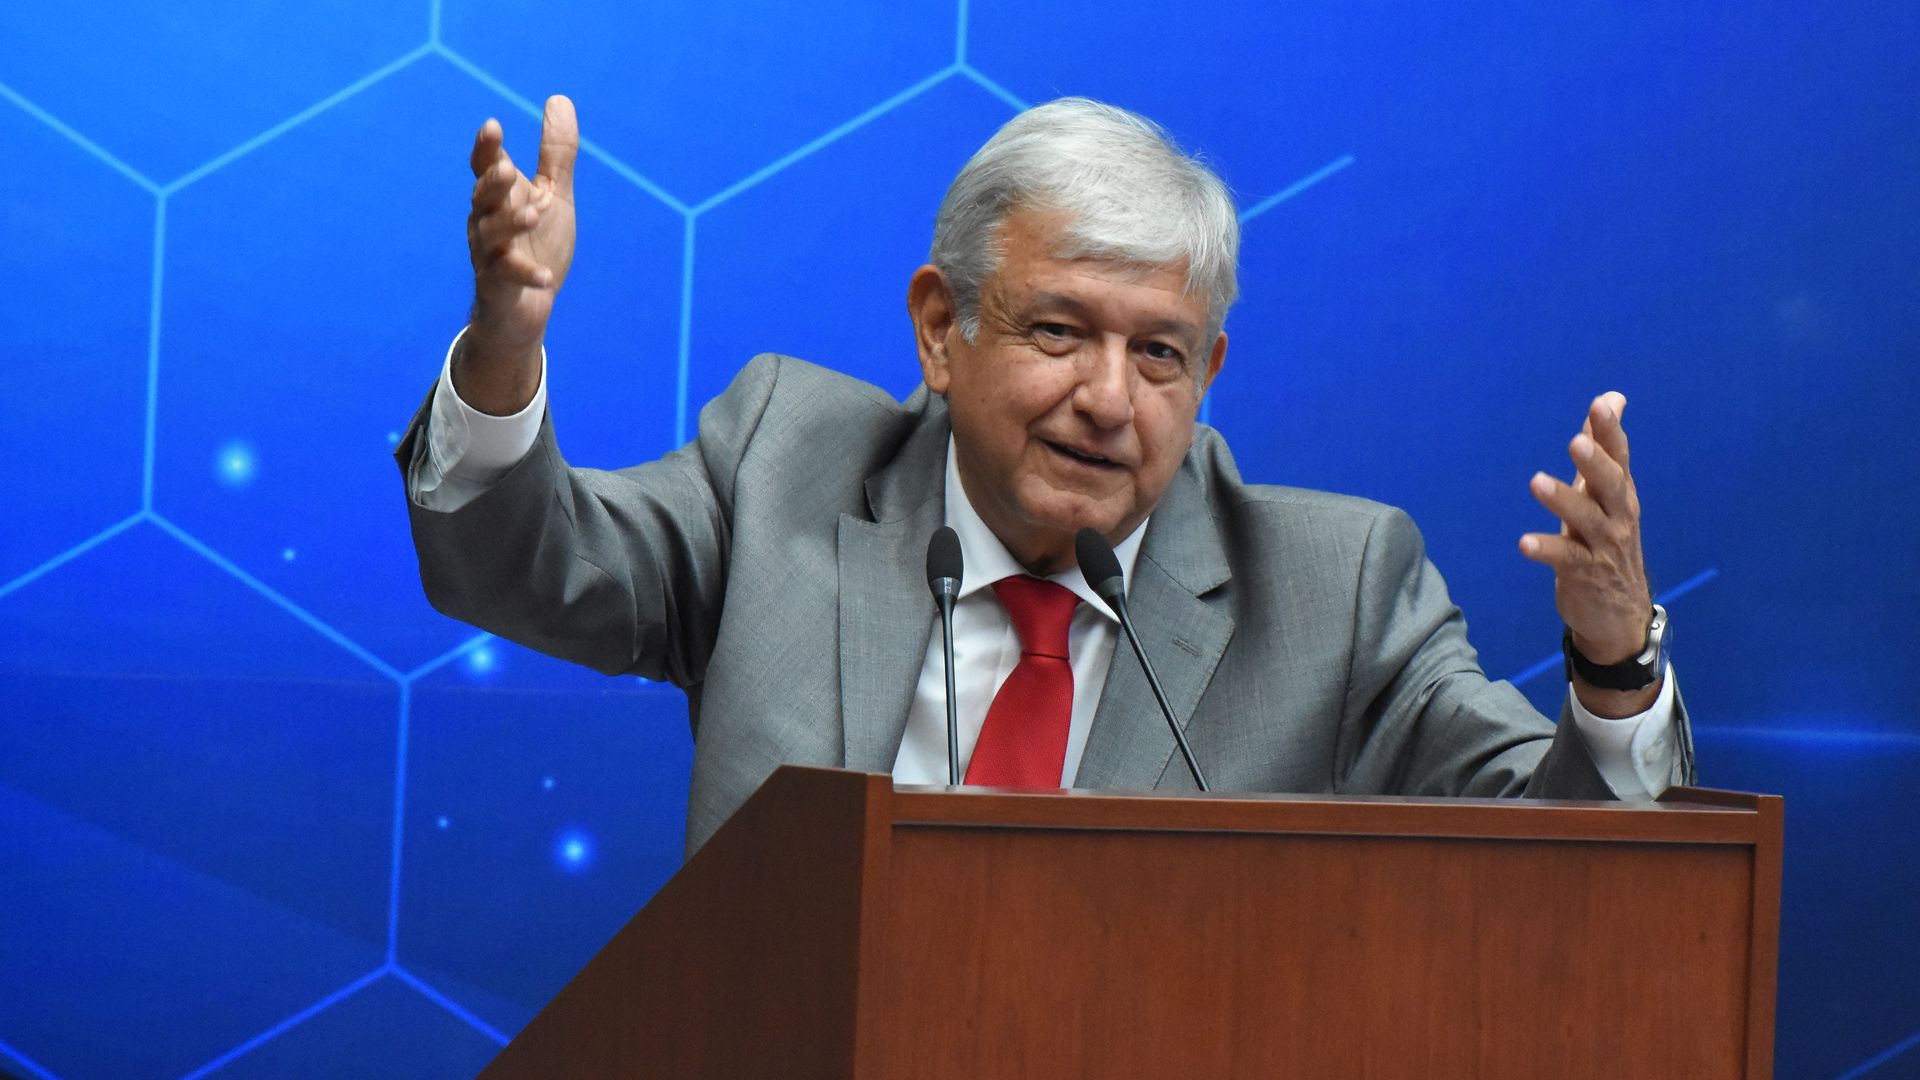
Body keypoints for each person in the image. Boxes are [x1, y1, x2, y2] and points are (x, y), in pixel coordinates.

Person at [397, 95, 1690, 857]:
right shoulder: (787, 462)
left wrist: (1615, 663)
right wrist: (506, 347)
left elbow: (1581, 856)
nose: (1109, 400)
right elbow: (517, 562)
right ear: (940, 328)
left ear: (1211, 372)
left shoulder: (1333, 586)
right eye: (1060, 331)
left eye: (1161, 353)